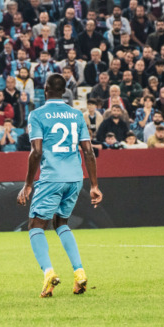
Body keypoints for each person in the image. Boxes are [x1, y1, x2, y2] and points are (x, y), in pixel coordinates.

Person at [17, 74, 101, 299]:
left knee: (35, 225)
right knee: (61, 222)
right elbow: (89, 151)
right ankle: (79, 272)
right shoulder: (76, 115)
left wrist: (28, 184)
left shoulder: (37, 114)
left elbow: (36, 151)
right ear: (64, 92)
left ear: (45, 90)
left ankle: (48, 273)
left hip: (52, 177)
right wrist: (94, 185)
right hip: (75, 178)